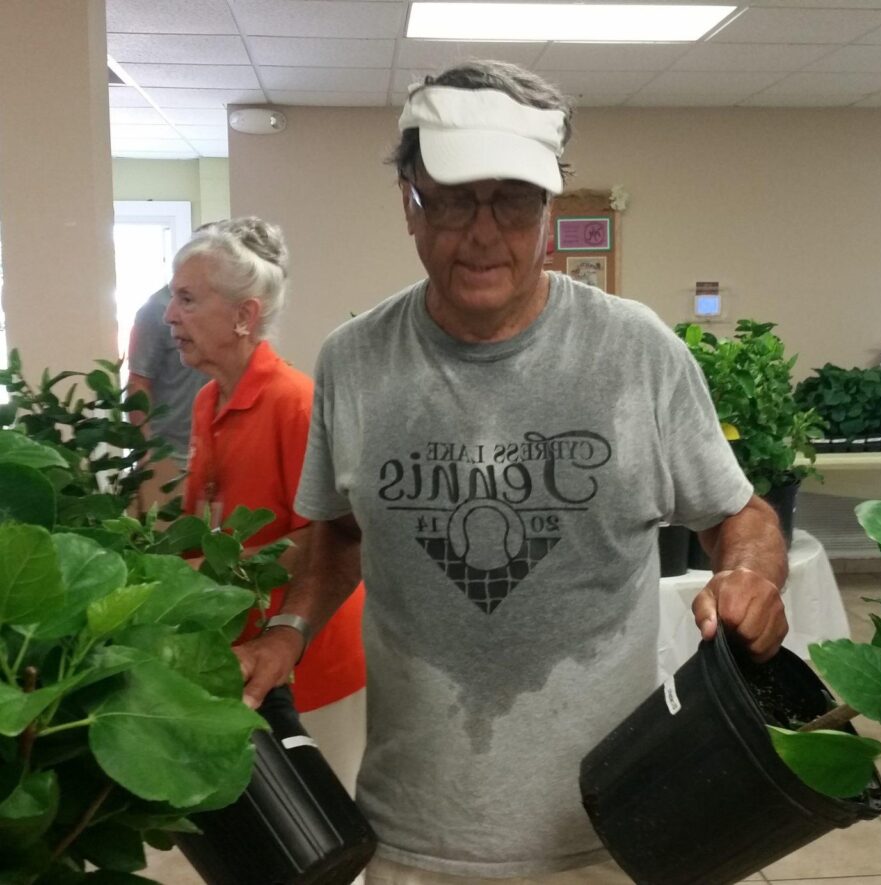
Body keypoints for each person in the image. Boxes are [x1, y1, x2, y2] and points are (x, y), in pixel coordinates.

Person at [236, 61, 789, 882]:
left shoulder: (637, 354)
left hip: (612, 829)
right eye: (454, 199)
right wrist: (288, 628)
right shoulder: (354, 363)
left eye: (514, 200)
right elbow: (341, 535)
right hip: (407, 839)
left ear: (551, 208)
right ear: (409, 202)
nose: (484, 232)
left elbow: (741, 518)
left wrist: (749, 577)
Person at [164, 217, 366, 792]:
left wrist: (216, 573)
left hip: (317, 657)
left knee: (328, 824)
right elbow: (204, 522)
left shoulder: (296, 403)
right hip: (247, 653)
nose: (169, 316)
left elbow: (328, 539)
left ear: (244, 316)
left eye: (186, 299)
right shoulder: (208, 401)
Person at [127, 284, 207, 512]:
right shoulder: (156, 310)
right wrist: (146, 450)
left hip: (210, 455)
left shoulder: (217, 308)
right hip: (167, 456)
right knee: (165, 542)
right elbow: (138, 381)